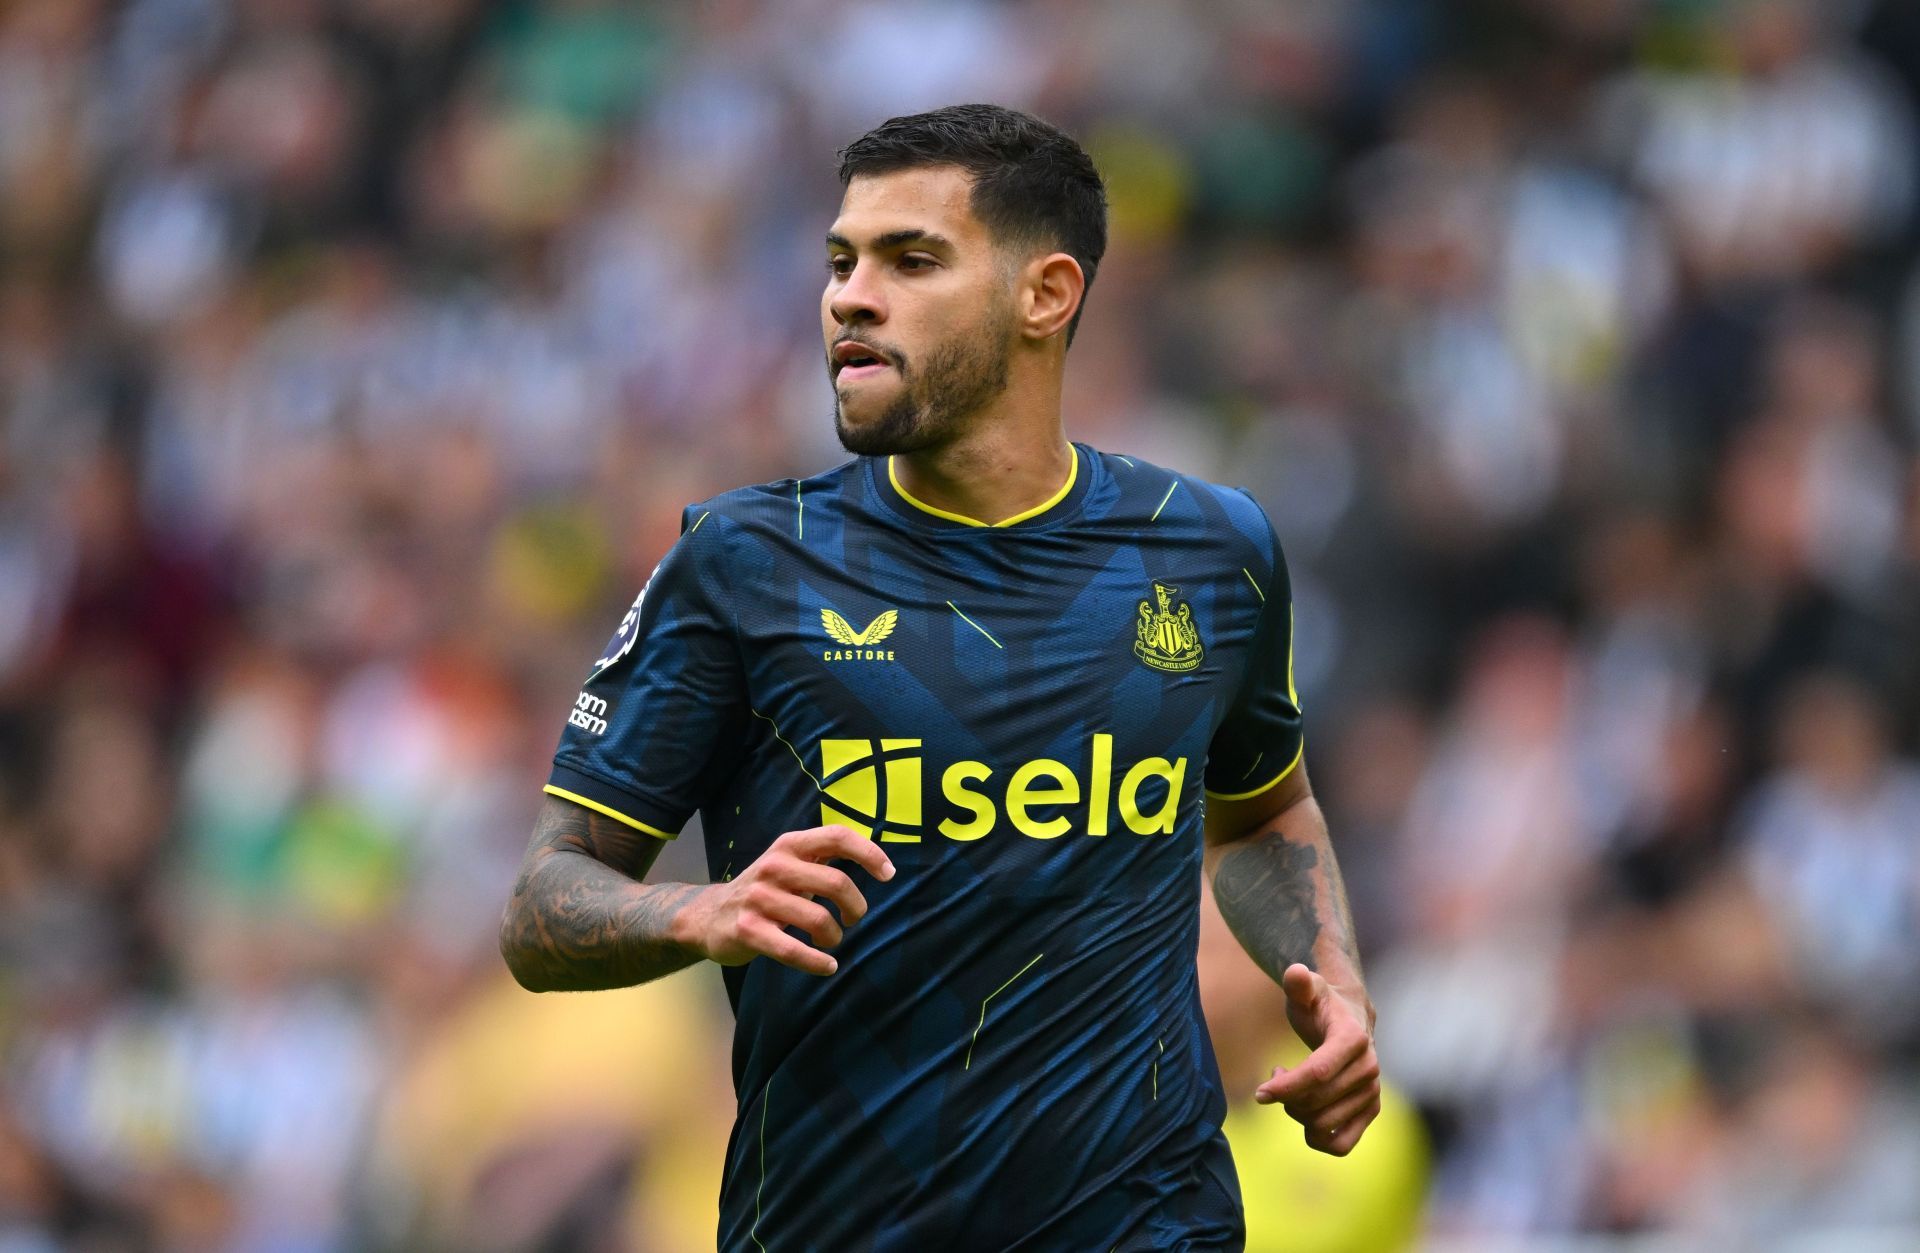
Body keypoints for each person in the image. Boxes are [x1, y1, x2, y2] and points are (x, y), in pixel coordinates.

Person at [498, 103, 1380, 1251]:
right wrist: (697, 910)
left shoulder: (1212, 549)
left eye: (911, 259)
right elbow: (539, 905)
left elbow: (1266, 813)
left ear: (1045, 294)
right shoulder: (742, 564)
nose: (850, 295)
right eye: (839, 260)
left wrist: (1336, 987)